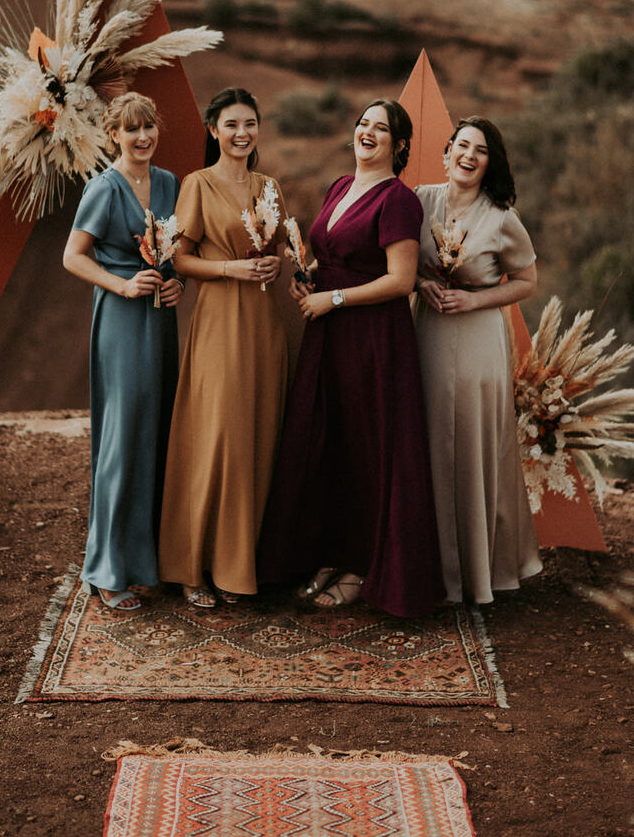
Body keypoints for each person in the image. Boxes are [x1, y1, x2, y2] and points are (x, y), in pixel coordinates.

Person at [258, 100, 444, 617]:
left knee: (367, 448)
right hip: (329, 333)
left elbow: (401, 281)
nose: (368, 132)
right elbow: (334, 254)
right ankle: (330, 553)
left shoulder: (399, 200)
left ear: (399, 145)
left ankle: (363, 567)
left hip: (373, 339)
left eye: (381, 129)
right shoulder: (340, 186)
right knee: (327, 442)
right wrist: (311, 274)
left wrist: (333, 299)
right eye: (363, 123)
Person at [158, 87, 288, 608]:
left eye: (250, 124)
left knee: (257, 437)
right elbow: (181, 258)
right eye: (231, 124)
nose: (242, 133)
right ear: (213, 130)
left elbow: (277, 248)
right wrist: (231, 268)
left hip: (264, 324)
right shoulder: (197, 184)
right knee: (215, 437)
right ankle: (192, 567)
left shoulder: (269, 185)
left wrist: (276, 263)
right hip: (218, 322)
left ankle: (238, 568)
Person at [414, 116, 542, 605]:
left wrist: (474, 299)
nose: (468, 156)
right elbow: (400, 261)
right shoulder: (420, 201)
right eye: (462, 146)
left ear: (490, 163)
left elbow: (527, 281)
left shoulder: (501, 217)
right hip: (426, 332)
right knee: (427, 439)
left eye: (480, 150)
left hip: (478, 338)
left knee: (471, 444)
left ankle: (478, 574)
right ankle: (429, 569)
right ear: (447, 152)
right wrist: (417, 283)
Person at [62, 92, 182, 611]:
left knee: (157, 431)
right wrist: (121, 285)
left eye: (148, 126)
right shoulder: (102, 188)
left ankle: (147, 560)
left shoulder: (169, 183)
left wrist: (173, 284)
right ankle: (107, 568)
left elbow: (173, 251)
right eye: (131, 129)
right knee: (122, 435)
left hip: (161, 317)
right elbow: (72, 256)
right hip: (121, 318)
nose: (142, 137)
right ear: (113, 135)